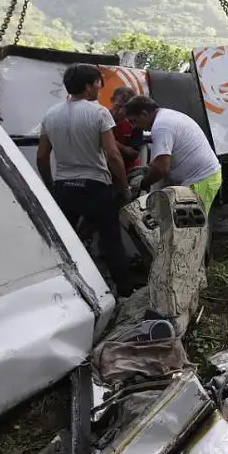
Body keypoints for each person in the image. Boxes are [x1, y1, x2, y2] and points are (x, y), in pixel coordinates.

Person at [37, 63, 134, 295]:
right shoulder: (98, 112)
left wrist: (52, 186)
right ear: (89, 86)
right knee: (111, 242)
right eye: (98, 83)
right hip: (95, 186)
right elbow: (112, 155)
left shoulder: (50, 114)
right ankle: (124, 293)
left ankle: (60, 291)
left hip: (64, 187)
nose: (100, 87)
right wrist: (123, 186)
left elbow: (42, 156)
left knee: (61, 243)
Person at [123, 95, 222, 215]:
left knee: (189, 228)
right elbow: (163, 160)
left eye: (134, 121)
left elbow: (162, 168)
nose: (134, 126)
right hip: (203, 177)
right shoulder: (166, 116)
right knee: (185, 224)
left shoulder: (161, 126)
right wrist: (150, 169)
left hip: (202, 179)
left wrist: (143, 183)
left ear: (144, 114)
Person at [110, 86, 144, 174]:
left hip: (128, 170)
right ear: (112, 100)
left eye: (125, 108)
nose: (121, 111)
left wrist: (111, 141)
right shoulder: (100, 118)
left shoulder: (135, 124)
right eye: (118, 106)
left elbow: (134, 154)